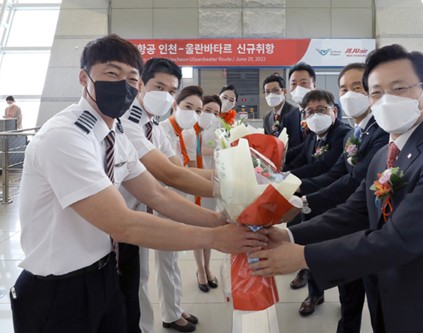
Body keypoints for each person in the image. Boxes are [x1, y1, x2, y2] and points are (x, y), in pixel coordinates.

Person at [9, 34, 266, 333]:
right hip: (58, 289)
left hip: (104, 272)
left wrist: (219, 222)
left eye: (131, 78)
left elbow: (157, 194)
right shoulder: (65, 137)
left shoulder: (114, 134)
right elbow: (123, 223)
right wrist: (215, 238)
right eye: (111, 74)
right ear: (84, 77)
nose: (124, 85)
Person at [249, 44, 423, 333]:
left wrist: (302, 255)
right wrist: (287, 233)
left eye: (399, 89)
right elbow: (354, 211)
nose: (386, 100)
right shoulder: (385, 154)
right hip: (392, 303)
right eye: (377, 92)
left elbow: (397, 240)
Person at [119, 58, 214, 333]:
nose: (166, 95)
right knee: (137, 280)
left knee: (151, 270)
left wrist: (233, 178)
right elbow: (169, 176)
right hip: (127, 215)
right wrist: (227, 191)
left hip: (148, 208)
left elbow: (178, 168)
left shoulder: (152, 126)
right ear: (140, 86)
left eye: (172, 90)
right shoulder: (129, 124)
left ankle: (167, 314)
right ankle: (144, 327)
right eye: (159, 86)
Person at [295, 63, 388, 332]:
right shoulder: (357, 133)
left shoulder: (380, 133)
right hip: (350, 223)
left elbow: (355, 180)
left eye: (357, 87)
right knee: (350, 286)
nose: (350, 94)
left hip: (370, 226)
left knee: (377, 298)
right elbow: (336, 171)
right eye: (344, 88)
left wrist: (304, 200)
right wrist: (292, 186)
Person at [157, 85, 207, 332]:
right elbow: (172, 174)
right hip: (163, 203)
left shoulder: (183, 134)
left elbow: (186, 169)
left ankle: (176, 307)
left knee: (174, 260)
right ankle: (169, 314)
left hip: (178, 202)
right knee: (165, 261)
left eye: (198, 110)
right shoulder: (162, 131)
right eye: (189, 107)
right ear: (175, 104)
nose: (194, 114)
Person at [187, 95, 222, 293]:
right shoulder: (188, 131)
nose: (211, 116)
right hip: (192, 184)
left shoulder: (217, 130)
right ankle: (200, 270)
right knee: (195, 230)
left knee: (209, 229)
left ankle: (208, 268)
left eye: (216, 113)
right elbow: (195, 153)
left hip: (209, 186)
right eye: (208, 111)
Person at [283, 90, 350, 180]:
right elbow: (299, 162)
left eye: (321, 110)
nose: (315, 116)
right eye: (310, 112)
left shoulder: (343, 134)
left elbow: (321, 167)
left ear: (334, 111)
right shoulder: (312, 136)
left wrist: (285, 176)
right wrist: (279, 172)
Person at [262, 74, 302, 149]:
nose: (271, 94)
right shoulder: (267, 117)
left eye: (275, 90)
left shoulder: (295, 113)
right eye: (267, 92)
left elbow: (297, 142)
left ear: (284, 91)